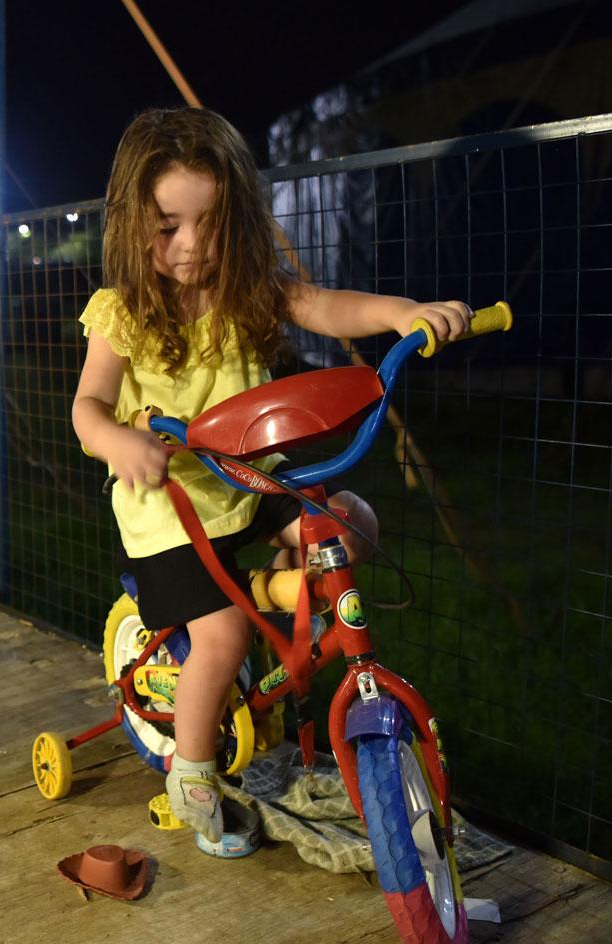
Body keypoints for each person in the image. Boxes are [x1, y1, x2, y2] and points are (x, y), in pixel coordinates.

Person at [71, 107, 472, 851]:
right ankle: (191, 775)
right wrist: (116, 439)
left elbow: (322, 305)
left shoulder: (247, 287)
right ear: (133, 225)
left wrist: (402, 313)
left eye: (211, 222)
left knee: (349, 522)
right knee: (219, 637)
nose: (191, 246)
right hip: (172, 506)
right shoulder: (123, 311)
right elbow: (87, 405)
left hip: (248, 480)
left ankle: (291, 622)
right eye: (167, 227)